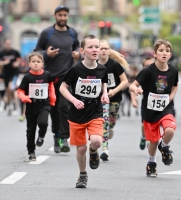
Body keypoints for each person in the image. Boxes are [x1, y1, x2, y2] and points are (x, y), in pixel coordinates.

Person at [59, 35, 109, 188]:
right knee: (81, 148)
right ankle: (82, 175)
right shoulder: (76, 69)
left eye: (97, 47)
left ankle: (93, 152)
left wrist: (105, 94)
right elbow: (62, 87)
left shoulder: (102, 69)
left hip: (95, 112)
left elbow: (103, 83)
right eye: (91, 47)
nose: (95, 50)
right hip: (77, 114)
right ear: (82, 51)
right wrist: (74, 100)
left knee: (96, 141)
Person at [34, 5, 80, 153]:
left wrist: (77, 53)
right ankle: (56, 136)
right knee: (53, 109)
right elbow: (36, 52)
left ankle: (64, 138)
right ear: (55, 16)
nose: (62, 18)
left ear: (68, 16)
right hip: (48, 77)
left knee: (64, 106)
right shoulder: (47, 33)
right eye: (60, 15)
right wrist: (46, 54)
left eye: (65, 15)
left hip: (66, 77)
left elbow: (78, 46)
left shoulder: (72, 33)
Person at [129, 39, 179, 177]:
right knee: (153, 141)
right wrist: (136, 90)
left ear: (170, 55)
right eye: (161, 50)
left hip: (166, 108)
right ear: (155, 54)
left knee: (170, 130)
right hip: (150, 110)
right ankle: (151, 162)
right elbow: (133, 85)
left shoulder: (173, 71)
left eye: (167, 51)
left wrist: (170, 97)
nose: (164, 53)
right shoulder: (148, 71)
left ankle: (164, 146)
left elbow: (175, 86)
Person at [17, 52, 56, 161]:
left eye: (38, 62)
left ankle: (41, 136)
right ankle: (31, 151)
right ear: (29, 64)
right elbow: (20, 90)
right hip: (31, 106)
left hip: (44, 104)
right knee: (30, 130)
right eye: (33, 62)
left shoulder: (47, 75)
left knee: (43, 123)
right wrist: (24, 98)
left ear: (42, 64)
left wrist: (52, 99)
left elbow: (51, 87)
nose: (36, 64)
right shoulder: (27, 77)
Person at [97, 40, 128, 161]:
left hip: (114, 98)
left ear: (109, 51)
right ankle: (105, 149)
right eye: (101, 48)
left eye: (106, 48)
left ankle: (111, 127)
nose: (103, 51)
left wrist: (114, 91)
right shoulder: (94, 64)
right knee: (103, 123)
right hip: (99, 99)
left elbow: (125, 81)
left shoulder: (114, 65)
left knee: (110, 121)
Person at [131, 57, 155, 150]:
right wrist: (134, 100)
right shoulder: (143, 76)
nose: (149, 67)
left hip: (156, 105)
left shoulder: (158, 75)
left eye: (151, 65)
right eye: (147, 66)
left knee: (153, 124)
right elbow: (133, 88)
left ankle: (151, 140)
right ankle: (144, 137)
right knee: (144, 124)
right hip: (146, 104)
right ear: (143, 67)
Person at [0, 38, 21, 115]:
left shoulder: (15, 52)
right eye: (7, 43)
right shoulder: (1, 53)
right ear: (4, 44)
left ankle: (13, 104)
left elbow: (19, 60)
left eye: (9, 43)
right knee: (8, 90)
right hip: (5, 73)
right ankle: (10, 103)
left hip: (14, 73)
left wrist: (17, 64)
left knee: (11, 87)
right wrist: (4, 63)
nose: (8, 45)